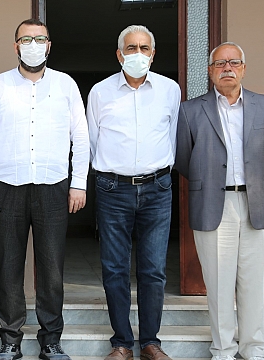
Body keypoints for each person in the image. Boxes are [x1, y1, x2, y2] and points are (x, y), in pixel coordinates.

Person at [0, 19, 88, 360]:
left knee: (51, 269)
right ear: (16, 46)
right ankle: (10, 339)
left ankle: (50, 339)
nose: (33, 44)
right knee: (8, 267)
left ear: (49, 45)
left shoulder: (66, 85)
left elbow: (80, 138)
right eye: (27, 39)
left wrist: (79, 182)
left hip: (54, 186)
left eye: (40, 39)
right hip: (8, 186)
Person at [174, 42, 264, 360]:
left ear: (244, 68)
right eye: (220, 63)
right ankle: (223, 350)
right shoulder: (191, 110)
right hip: (212, 203)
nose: (227, 68)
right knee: (220, 284)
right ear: (210, 71)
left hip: (254, 203)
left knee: (251, 280)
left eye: (234, 62)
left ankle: (254, 350)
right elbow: (184, 158)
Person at [86, 25, 180, 360]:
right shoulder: (100, 92)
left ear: (153, 54)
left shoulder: (170, 90)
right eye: (130, 48)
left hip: (158, 187)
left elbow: (172, 138)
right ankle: (122, 343)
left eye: (143, 48)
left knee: (153, 269)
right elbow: (92, 141)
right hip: (113, 188)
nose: (137, 53)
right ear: (119, 54)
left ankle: (151, 342)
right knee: (114, 267)